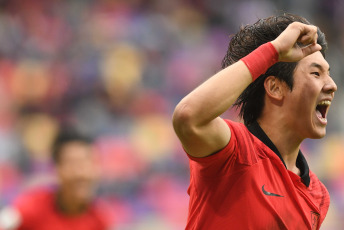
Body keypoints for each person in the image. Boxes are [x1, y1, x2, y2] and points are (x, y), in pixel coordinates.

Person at [172, 13, 337, 230]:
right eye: (316, 73)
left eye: (328, 74)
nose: (332, 85)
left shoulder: (318, 194)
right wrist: (274, 51)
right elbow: (187, 116)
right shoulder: (233, 152)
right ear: (275, 88)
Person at [0, 128, 113, 230]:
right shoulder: (32, 206)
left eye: (89, 163)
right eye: (74, 164)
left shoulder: (100, 219)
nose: (82, 174)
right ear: (56, 169)